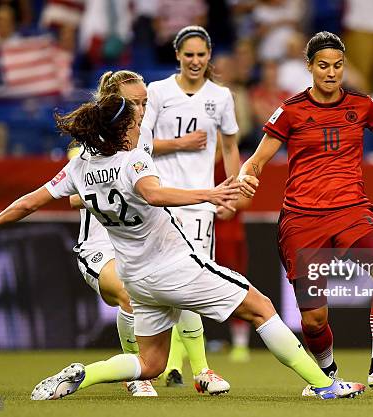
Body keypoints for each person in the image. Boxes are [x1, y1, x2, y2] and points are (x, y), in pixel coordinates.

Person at [0, 92, 366, 401]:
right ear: (122, 129)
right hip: (174, 266)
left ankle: (84, 374)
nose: (140, 124)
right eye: (136, 120)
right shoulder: (133, 162)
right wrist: (209, 193)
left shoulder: (79, 167)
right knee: (262, 308)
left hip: (137, 278)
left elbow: (31, 201)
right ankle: (324, 385)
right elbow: (155, 194)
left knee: (150, 364)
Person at [237, 31, 373, 394]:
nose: (331, 73)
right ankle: (326, 375)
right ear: (309, 67)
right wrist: (244, 177)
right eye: (323, 66)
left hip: (352, 210)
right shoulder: (291, 111)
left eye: (337, 66)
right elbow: (255, 161)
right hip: (302, 220)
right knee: (315, 320)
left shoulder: (362, 105)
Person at [70, 69, 228, 396]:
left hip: (140, 238)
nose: (142, 111)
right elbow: (72, 195)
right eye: (134, 104)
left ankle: (201, 371)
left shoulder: (139, 136)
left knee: (184, 285)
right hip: (103, 243)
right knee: (129, 297)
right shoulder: (89, 145)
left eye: (145, 103)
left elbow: (145, 182)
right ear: (112, 103)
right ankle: (137, 372)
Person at [140, 26, 241, 385]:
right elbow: (143, 144)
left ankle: (181, 367)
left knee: (190, 283)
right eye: (189, 54)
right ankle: (174, 367)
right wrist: (180, 144)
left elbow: (230, 147)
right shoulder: (158, 91)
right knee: (157, 285)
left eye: (201, 55)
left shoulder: (222, 97)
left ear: (209, 55)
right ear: (178, 55)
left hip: (201, 204)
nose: (195, 61)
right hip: (161, 200)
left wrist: (233, 192)